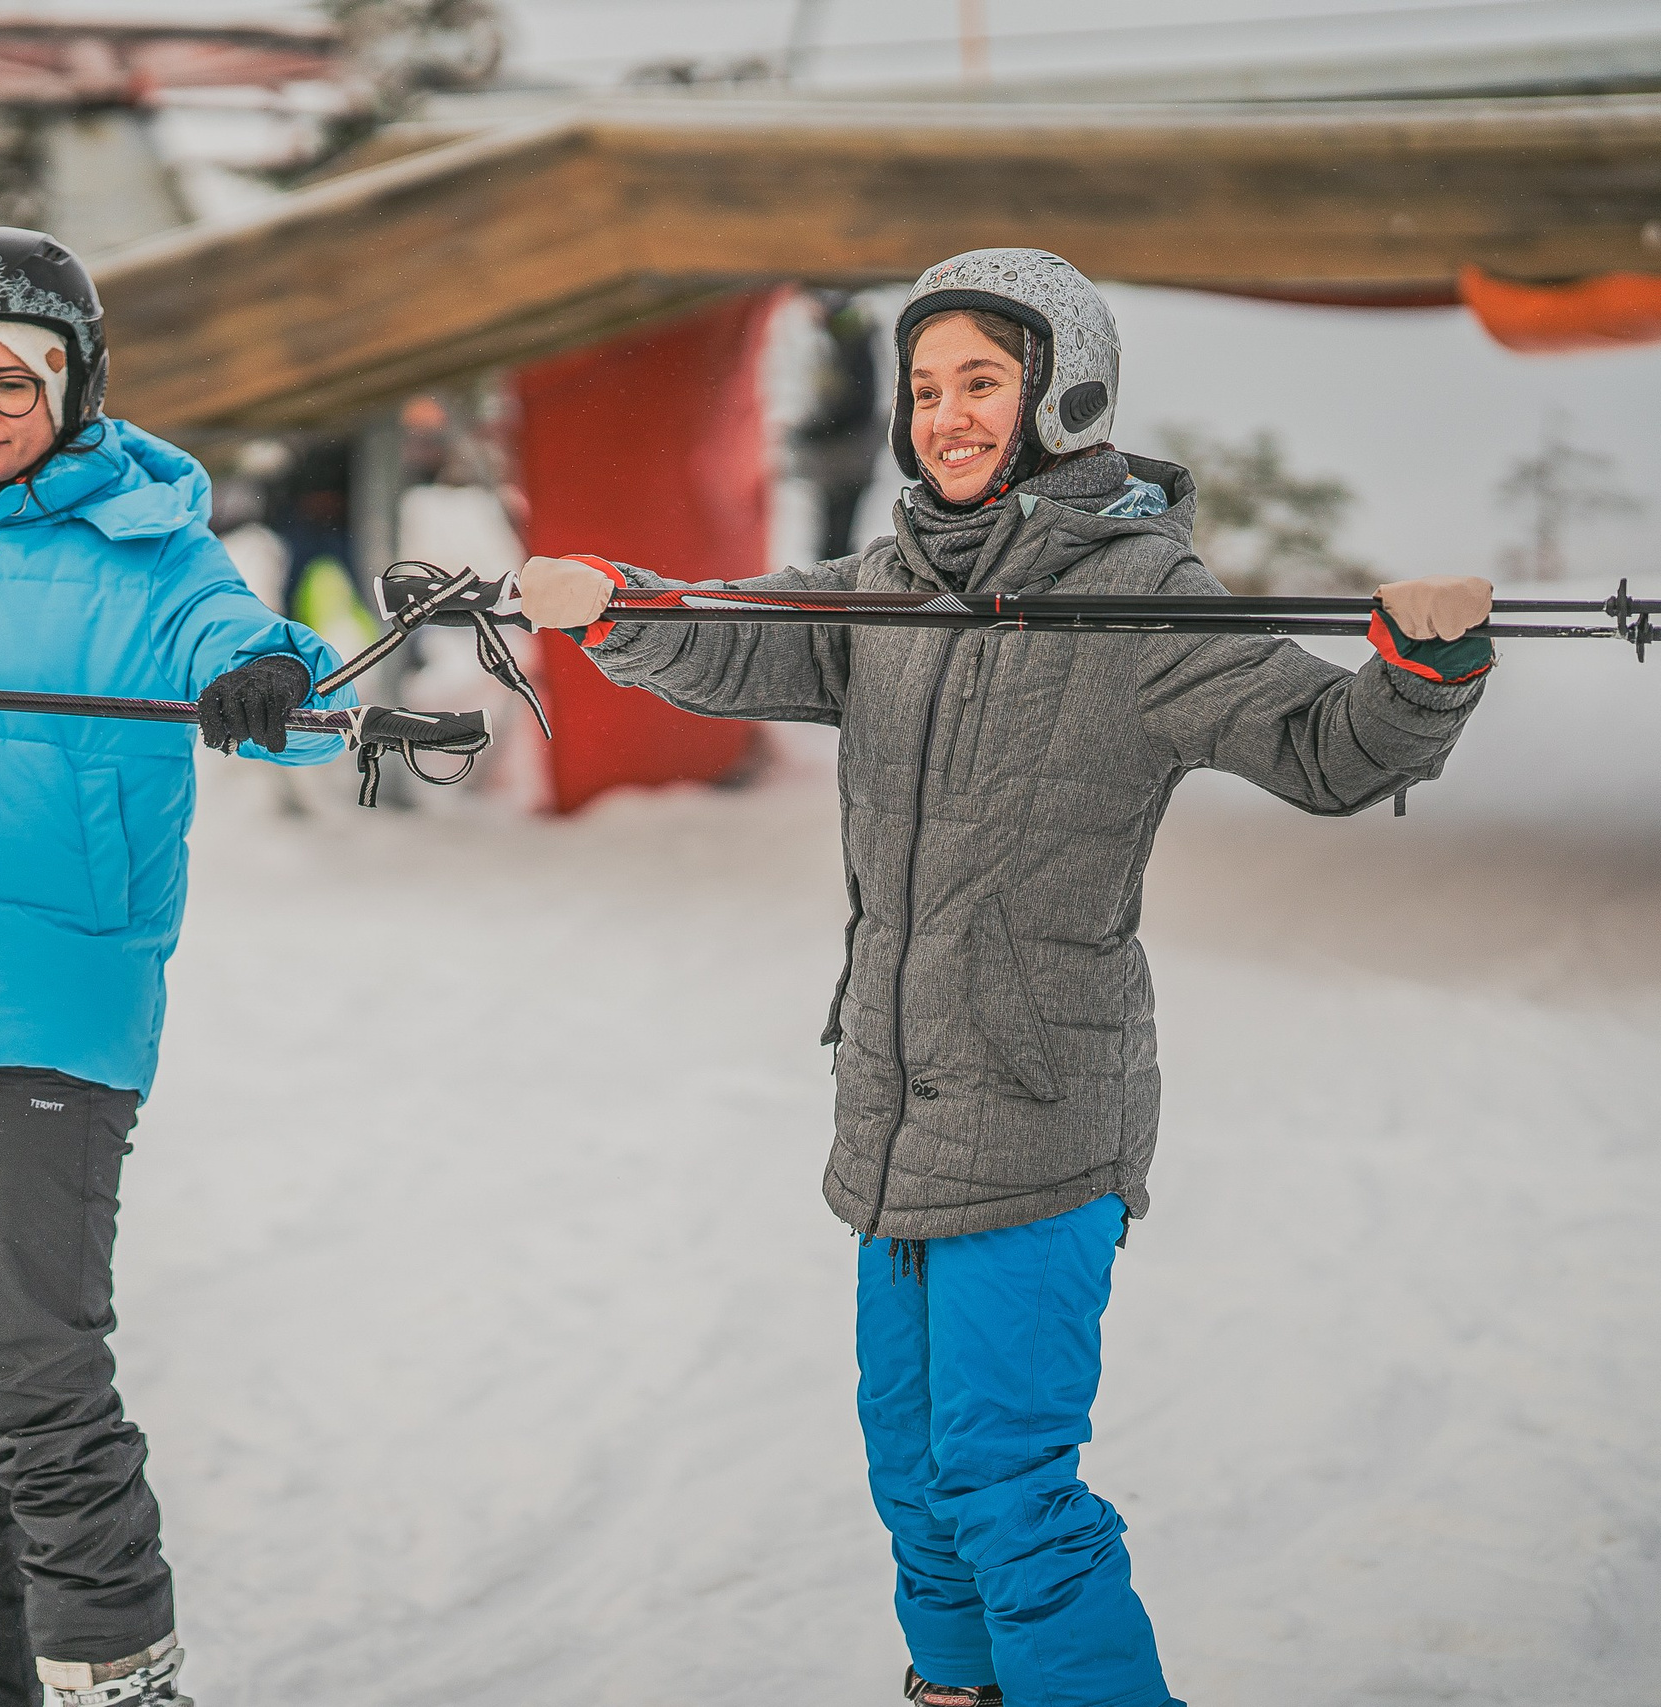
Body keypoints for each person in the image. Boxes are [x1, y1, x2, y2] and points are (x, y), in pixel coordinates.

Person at [516, 248, 1494, 1707]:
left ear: (1064, 391)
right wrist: (621, 606)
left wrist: (1420, 675)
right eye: (926, 388)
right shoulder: (895, 583)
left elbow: (1321, 745)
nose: (948, 415)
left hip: (1040, 1110)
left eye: (982, 380)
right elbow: (738, 629)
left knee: (1012, 1496)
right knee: (916, 1485)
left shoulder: (1141, 595)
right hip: (895, 1109)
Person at [0, 227, 348, 1707]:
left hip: (54, 1006)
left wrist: (272, 678)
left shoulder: (151, 544)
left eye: (16, 377)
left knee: (35, 1385)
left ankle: (119, 1678)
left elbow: (252, 647)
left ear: (78, 381)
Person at [795, 289, 885, 562]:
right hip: (849, 453)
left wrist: (817, 429)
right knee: (837, 531)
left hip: (847, 455)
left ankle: (831, 594)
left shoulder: (850, 344)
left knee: (836, 534)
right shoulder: (851, 340)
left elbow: (853, 403)